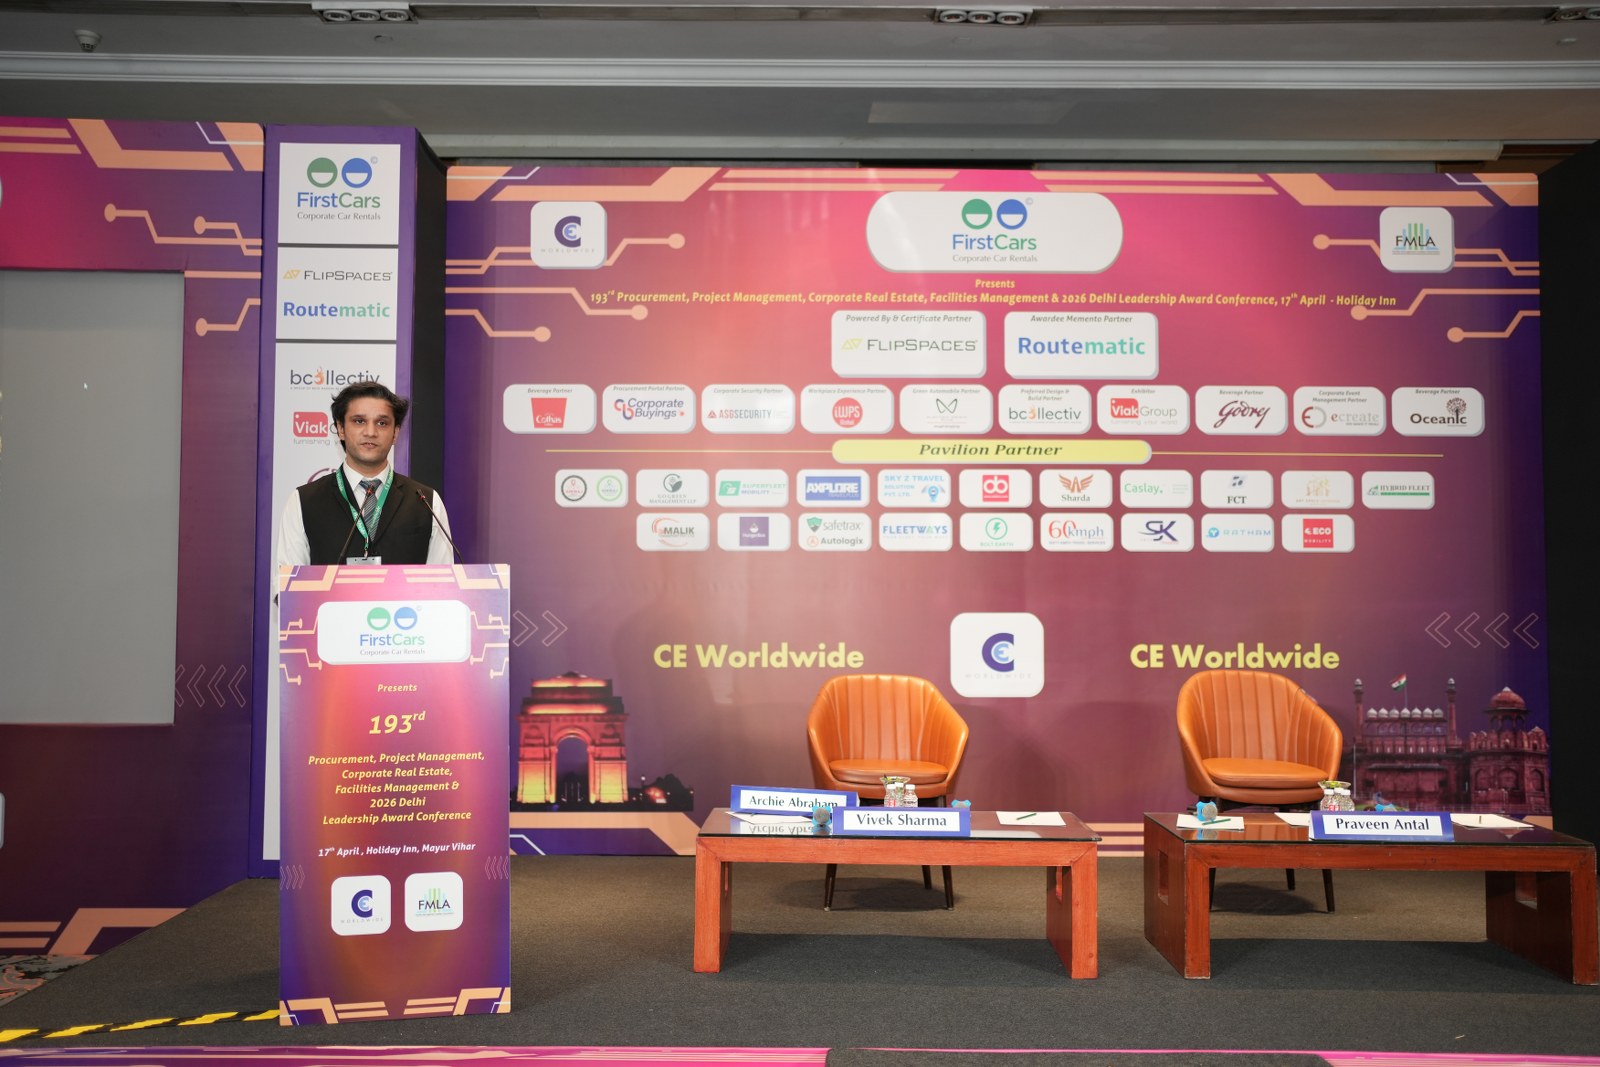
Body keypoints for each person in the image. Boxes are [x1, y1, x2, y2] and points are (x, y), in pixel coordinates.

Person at [276, 380, 454, 570]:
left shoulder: (426, 502)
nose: (370, 432)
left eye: (382, 423)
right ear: (341, 429)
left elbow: (442, 583)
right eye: (359, 421)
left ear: (395, 433)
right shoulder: (303, 501)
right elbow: (288, 583)